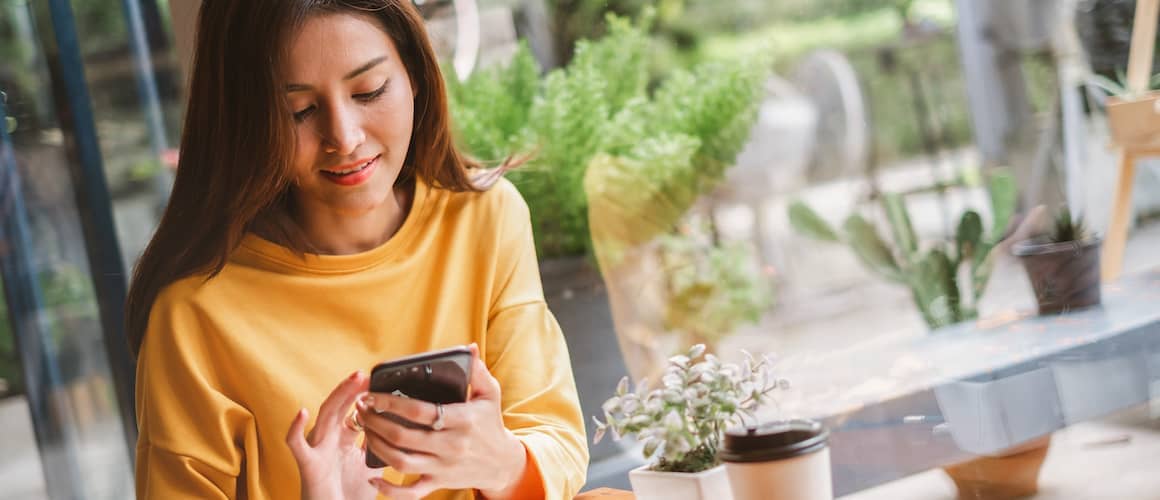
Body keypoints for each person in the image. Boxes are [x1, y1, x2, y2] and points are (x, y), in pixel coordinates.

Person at [125, 1, 588, 498]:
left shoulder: (484, 220)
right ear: (247, 122)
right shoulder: (194, 315)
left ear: (413, 71)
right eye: (299, 111)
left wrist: (503, 464)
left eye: (369, 91)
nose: (343, 138)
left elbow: (557, 439)